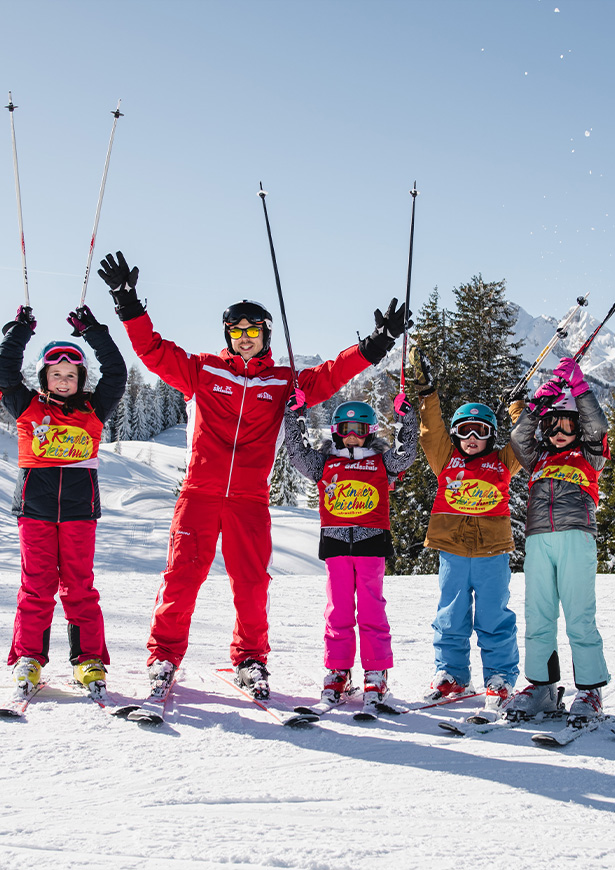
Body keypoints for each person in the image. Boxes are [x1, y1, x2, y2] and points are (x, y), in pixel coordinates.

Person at [97, 250, 407, 698]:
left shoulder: (283, 382)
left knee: (252, 582)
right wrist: (128, 304)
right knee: (181, 576)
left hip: (249, 498)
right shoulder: (203, 370)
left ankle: (251, 659)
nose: (245, 338)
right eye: (237, 331)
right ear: (228, 335)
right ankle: (164, 656)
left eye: (253, 330)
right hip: (200, 493)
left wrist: (375, 344)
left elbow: (331, 375)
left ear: (266, 335)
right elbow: (152, 351)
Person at [0, 304, 127, 698]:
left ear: (81, 379)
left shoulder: (93, 409)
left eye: (71, 375)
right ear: (44, 377)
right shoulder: (26, 406)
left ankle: (88, 659)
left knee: (79, 586)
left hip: (78, 514)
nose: (64, 380)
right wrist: (20, 331)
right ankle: (29, 657)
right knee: (36, 586)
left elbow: (116, 373)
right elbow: (4, 371)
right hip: (35, 512)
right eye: (56, 374)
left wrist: (92, 332)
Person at [285, 396, 417, 706]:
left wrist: (407, 419)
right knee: (339, 610)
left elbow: (406, 455)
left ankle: (376, 672)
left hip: (371, 543)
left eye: (359, 429)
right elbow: (297, 454)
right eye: (346, 429)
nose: (352, 436)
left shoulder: (382, 462)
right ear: (336, 432)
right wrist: (294, 415)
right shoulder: (324, 463)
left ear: (370, 431)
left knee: (372, 610)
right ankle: (338, 670)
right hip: (336, 545)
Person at [415, 351, 523, 714]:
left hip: (493, 553)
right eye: (464, 431)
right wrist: (428, 394)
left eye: (480, 431)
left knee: (494, 616)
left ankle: (500, 675)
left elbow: (524, 442)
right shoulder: (446, 459)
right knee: (451, 613)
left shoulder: (502, 462)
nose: (472, 438)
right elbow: (431, 432)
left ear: (492, 436)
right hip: (453, 550)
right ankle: (452, 673)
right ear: (456, 435)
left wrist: (518, 409)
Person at [505, 358, 610, 724]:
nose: (560, 431)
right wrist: (535, 407)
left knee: (579, 614)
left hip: (576, 537)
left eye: (568, 424)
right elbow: (519, 437)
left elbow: (598, 426)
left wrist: (580, 389)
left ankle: (590, 690)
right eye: (552, 424)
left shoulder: (589, 455)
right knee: (539, 615)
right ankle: (542, 687)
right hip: (538, 540)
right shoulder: (538, 458)